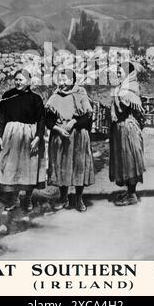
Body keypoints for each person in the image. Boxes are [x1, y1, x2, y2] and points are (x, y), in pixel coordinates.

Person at [0, 68, 45, 212]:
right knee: (9, 166)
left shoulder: (36, 99)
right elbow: (1, 117)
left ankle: (27, 198)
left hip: (29, 135)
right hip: (10, 135)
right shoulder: (8, 96)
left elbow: (41, 119)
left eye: (20, 80)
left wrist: (38, 137)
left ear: (28, 81)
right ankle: (13, 199)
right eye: (16, 79)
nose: (17, 82)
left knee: (28, 167)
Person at [45, 69, 94, 212]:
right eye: (60, 79)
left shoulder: (80, 94)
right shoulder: (55, 96)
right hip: (61, 136)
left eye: (65, 79)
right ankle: (63, 197)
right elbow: (48, 119)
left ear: (72, 81)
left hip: (78, 135)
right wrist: (58, 129)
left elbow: (87, 116)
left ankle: (79, 199)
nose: (62, 82)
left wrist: (73, 122)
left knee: (79, 166)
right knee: (61, 166)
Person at [109, 61, 145, 206]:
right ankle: (130, 192)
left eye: (120, 73)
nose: (118, 75)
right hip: (121, 128)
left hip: (128, 129)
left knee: (130, 160)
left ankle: (132, 195)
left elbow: (123, 109)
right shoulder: (121, 87)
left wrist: (116, 94)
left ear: (128, 74)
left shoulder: (130, 88)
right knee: (123, 160)